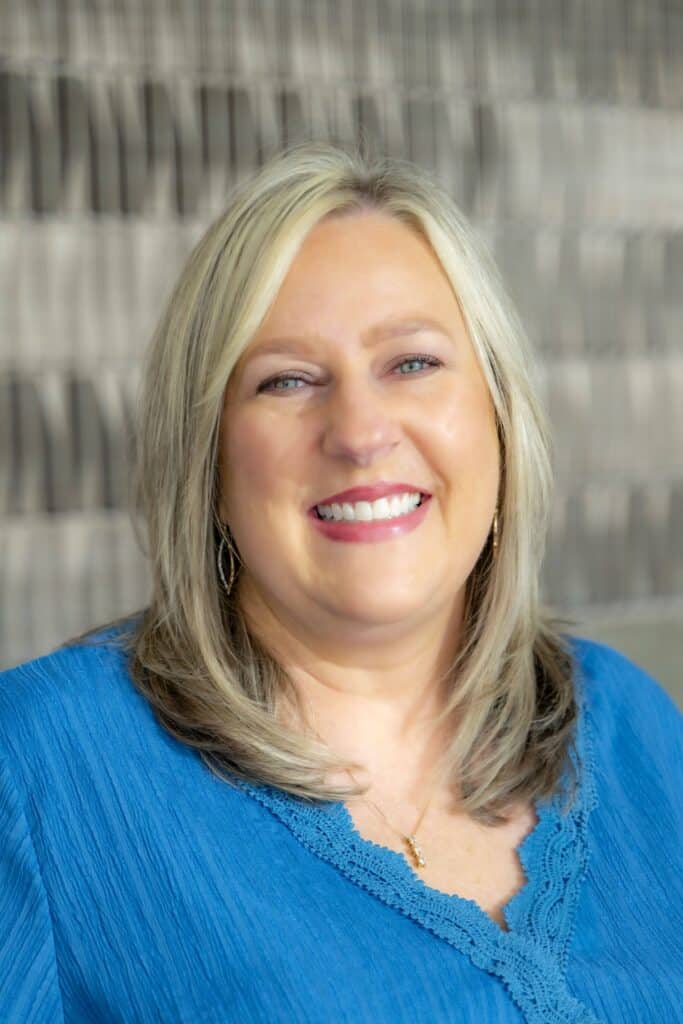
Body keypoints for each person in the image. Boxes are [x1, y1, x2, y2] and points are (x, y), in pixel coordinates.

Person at [0, 141, 680, 1024]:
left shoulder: (630, 725)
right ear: (208, 460)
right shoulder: (39, 765)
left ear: (498, 418)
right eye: (286, 380)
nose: (359, 432)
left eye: (412, 363)